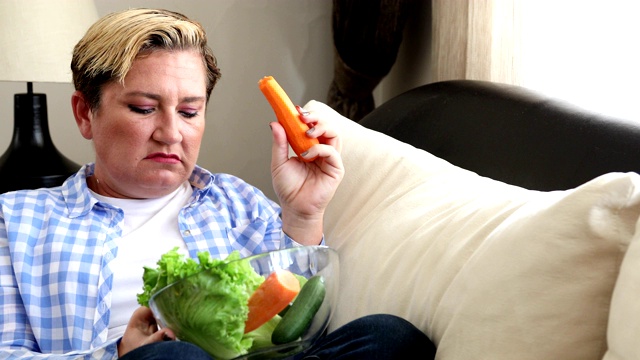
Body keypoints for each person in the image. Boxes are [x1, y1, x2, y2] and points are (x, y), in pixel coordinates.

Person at [0, 8, 436, 359]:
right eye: (143, 108)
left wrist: (304, 213)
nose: (171, 133)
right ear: (84, 113)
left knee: (390, 335)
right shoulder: (17, 221)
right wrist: (113, 354)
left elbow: (295, 329)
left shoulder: (234, 202)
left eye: (189, 112)